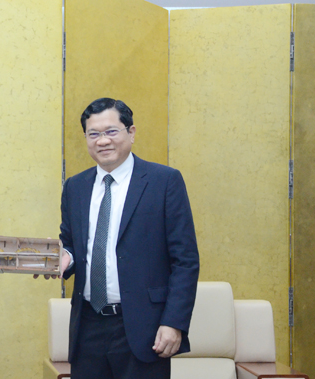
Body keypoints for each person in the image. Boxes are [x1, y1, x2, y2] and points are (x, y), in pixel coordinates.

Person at [59, 98, 200, 378]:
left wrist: (174, 322)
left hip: (143, 328)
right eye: (93, 134)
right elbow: (72, 244)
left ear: (131, 133)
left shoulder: (164, 181)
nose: (102, 141)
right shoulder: (75, 186)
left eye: (111, 131)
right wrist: (65, 257)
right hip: (87, 326)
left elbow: (185, 260)